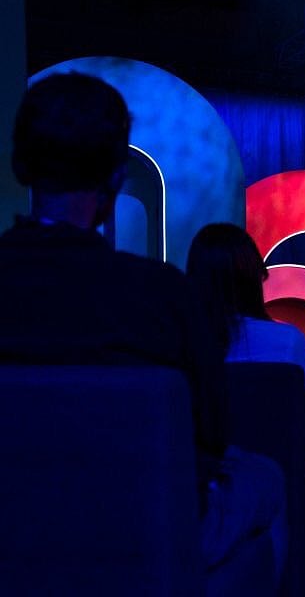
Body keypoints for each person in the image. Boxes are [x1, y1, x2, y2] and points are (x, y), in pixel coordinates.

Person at [0, 72, 286, 583]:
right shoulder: (162, 295)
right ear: (115, 176)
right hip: (142, 531)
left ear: (20, 166)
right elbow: (212, 432)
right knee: (266, 477)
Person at [186, 222, 305, 508]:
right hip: (284, 475)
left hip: (205, 480)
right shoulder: (287, 341)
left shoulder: (184, 347)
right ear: (254, 278)